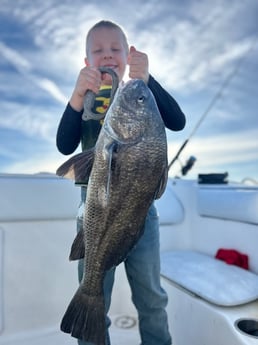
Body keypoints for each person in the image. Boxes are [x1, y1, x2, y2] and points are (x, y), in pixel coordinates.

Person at [56, 20, 185, 345]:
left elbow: (178, 121)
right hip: (94, 216)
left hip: (142, 216)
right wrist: (75, 97)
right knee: (97, 292)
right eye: (98, 50)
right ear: (86, 62)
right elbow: (64, 146)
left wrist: (147, 80)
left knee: (152, 299)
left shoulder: (139, 92)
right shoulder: (84, 98)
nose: (108, 55)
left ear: (128, 57)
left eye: (115, 48)